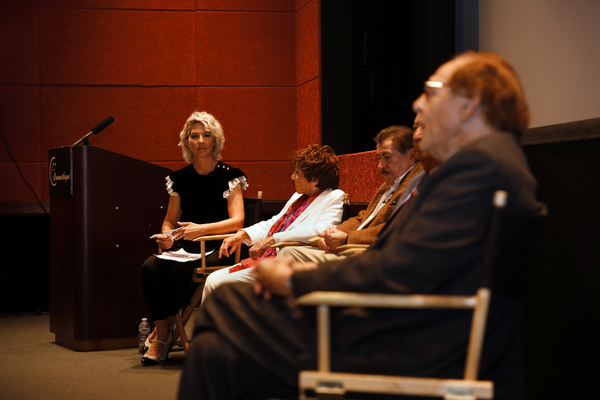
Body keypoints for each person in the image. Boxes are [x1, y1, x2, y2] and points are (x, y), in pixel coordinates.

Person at [177, 52, 547, 400]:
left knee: (218, 335)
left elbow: (398, 270)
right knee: (224, 315)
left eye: (431, 94)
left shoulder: (476, 174)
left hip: (412, 343)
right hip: (407, 325)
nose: (418, 104)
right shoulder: (483, 167)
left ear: (469, 107)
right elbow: (410, 264)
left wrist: (295, 280)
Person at [140, 111, 247, 366]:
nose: (200, 141)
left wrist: (202, 229)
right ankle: (163, 328)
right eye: (194, 136)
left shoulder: (229, 176)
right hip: (186, 244)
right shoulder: (179, 179)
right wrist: (167, 237)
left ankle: (162, 336)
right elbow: (170, 219)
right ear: (187, 141)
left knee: (177, 272)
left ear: (215, 141)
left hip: (218, 244)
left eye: (206, 135)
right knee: (150, 267)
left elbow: (238, 221)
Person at [200, 144, 345, 302]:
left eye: (297, 173)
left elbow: (323, 229)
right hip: (269, 258)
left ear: (314, 180)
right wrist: (241, 235)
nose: (292, 177)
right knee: (214, 279)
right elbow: (274, 222)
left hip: (291, 265)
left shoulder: (334, 197)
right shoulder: (298, 197)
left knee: (218, 283)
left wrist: (273, 239)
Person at [278, 125, 422, 263]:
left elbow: (396, 227)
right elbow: (363, 218)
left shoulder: (417, 184)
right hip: (350, 248)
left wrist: (347, 238)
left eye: (387, 157)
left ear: (411, 155)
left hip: (370, 254)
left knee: (287, 254)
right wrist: (333, 234)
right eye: (379, 158)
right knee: (287, 253)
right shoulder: (387, 186)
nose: (380, 166)